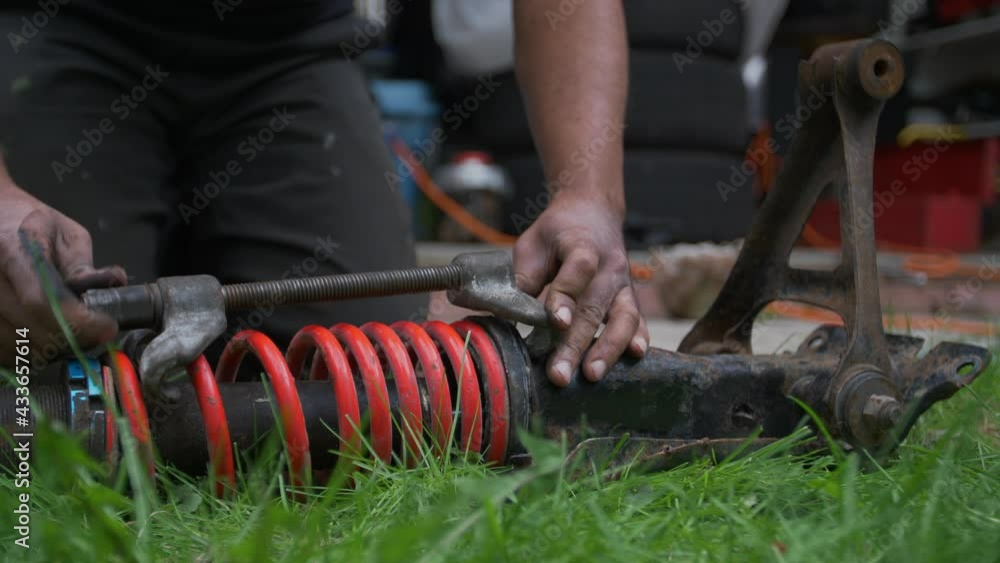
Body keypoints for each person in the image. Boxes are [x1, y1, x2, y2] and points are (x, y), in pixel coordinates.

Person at [0, 0, 648, 386]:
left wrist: (588, 198)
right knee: (44, 351)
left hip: (286, 47)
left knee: (381, 378)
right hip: (60, 27)